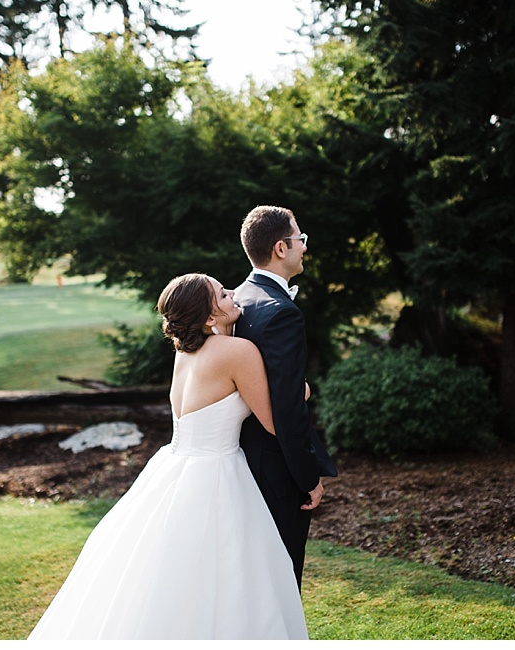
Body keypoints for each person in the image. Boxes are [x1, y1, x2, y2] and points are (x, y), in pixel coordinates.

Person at [28, 273, 308, 640]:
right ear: (209, 317)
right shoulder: (236, 352)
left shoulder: (184, 353)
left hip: (175, 465)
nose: (232, 294)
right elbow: (274, 422)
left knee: (166, 576)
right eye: (223, 294)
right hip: (217, 472)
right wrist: (300, 391)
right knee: (227, 574)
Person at [234, 205, 338, 589]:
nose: (304, 248)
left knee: (251, 575)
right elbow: (288, 409)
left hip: (241, 459)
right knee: (280, 576)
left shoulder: (239, 299)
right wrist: (308, 477)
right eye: (301, 240)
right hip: (276, 470)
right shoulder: (281, 313)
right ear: (281, 248)